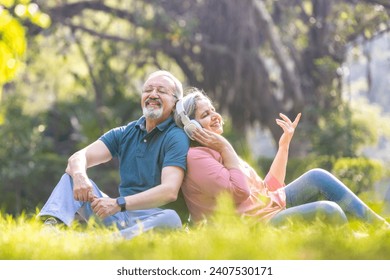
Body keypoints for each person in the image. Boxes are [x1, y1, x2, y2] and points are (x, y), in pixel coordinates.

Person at [174, 87, 390, 228]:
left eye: (213, 110)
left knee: (317, 176)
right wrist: (226, 147)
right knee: (329, 211)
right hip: (255, 227)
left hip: (267, 210)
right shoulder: (198, 158)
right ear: (191, 127)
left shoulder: (218, 150)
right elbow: (240, 193)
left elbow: (267, 190)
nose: (215, 116)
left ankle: (381, 229)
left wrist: (284, 145)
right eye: (205, 115)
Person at [37, 70, 190, 239]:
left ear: (176, 103)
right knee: (71, 176)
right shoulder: (125, 132)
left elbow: (169, 191)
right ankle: (50, 229)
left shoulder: (176, 137)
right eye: (148, 90)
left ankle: (105, 241)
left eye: (161, 91)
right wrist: (80, 176)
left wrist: (119, 203)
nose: (152, 94)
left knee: (171, 219)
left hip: (152, 218)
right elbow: (78, 158)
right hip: (119, 216)